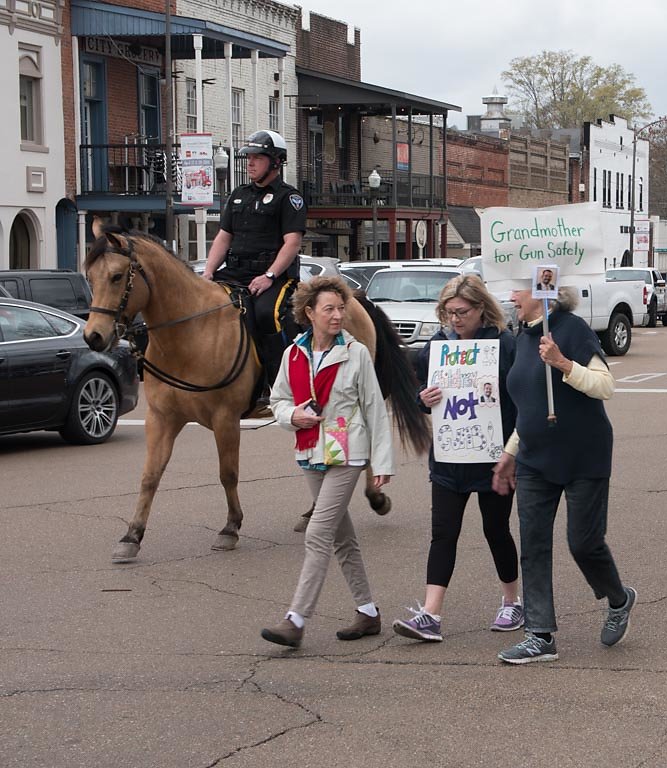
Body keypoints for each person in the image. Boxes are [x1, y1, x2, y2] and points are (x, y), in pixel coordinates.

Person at [491, 285, 636, 664]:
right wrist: (510, 452)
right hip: (535, 460)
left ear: (544, 293)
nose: (511, 295)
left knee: (583, 542)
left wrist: (563, 363)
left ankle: (618, 598)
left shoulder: (572, 330)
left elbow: (605, 386)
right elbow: (530, 406)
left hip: (584, 455)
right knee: (534, 544)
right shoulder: (521, 338)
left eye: (518, 289)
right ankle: (539, 635)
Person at [260, 276, 393, 648]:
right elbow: (278, 400)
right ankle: (367, 611)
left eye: (341, 308)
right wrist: (293, 416)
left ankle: (296, 620)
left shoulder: (356, 353)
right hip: (309, 451)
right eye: (329, 309)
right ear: (309, 314)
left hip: (346, 450)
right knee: (341, 537)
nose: (338, 316)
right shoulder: (293, 354)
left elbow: (374, 409)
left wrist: (381, 463)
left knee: (318, 533)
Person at [392, 274, 522, 643]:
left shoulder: (504, 345)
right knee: (443, 533)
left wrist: (513, 452)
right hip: (449, 457)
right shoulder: (435, 348)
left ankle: (512, 601)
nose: (455, 319)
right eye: (448, 313)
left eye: (462, 312)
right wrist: (423, 399)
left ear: (481, 308)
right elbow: (420, 391)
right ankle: (431, 614)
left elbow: (519, 397)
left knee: (496, 530)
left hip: (494, 457)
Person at [203, 129, 306, 392]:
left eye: (258, 157)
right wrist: (208, 273)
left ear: (275, 161)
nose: (250, 162)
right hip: (234, 272)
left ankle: (276, 384)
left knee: (265, 315)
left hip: (274, 277)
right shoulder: (239, 194)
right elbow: (224, 237)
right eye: (248, 157)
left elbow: (292, 242)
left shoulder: (289, 198)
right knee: (204, 307)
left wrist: (269, 276)